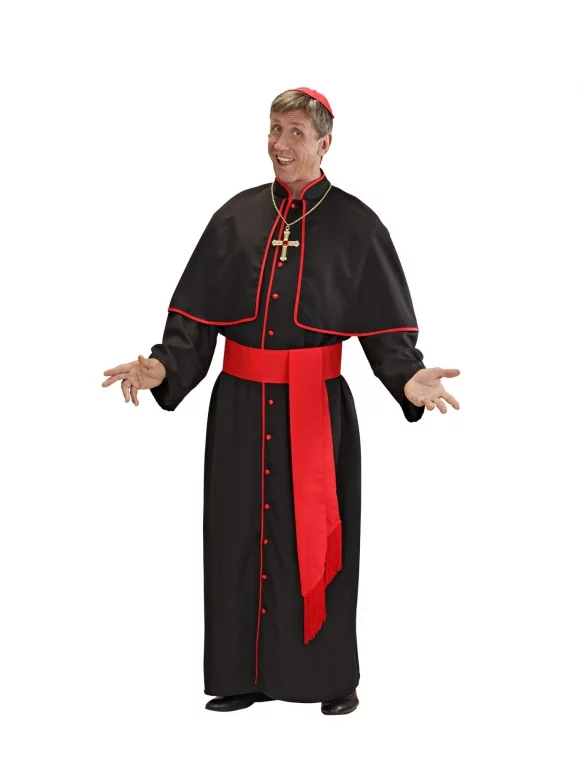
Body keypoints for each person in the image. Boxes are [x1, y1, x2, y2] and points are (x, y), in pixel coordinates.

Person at [102, 87, 460, 715]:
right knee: (235, 538)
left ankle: (328, 678)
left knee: (316, 540)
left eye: (296, 132)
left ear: (325, 143)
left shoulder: (357, 225)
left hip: (315, 409)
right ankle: (243, 675)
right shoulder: (236, 217)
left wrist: (407, 378)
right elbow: (193, 325)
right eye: (274, 129)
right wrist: (162, 367)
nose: (281, 144)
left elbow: (386, 332)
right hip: (239, 409)